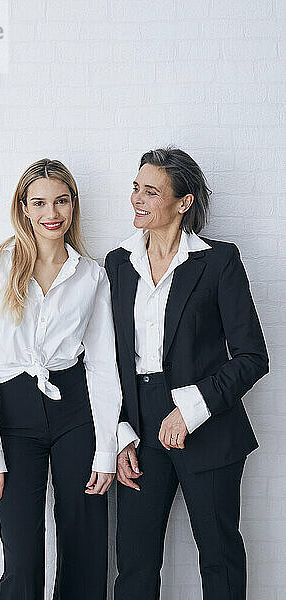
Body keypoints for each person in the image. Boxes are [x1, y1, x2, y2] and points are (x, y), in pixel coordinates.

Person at [104, 146, 270, 600]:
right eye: (136, 187)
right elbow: (107, 361)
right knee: (134, 565)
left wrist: (188, 409)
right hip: (137, 426)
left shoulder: (219, 261)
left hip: (207, 423)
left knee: (219, 558)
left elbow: (253, 356)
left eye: (151, 191)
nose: (137, 198)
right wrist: (120, 434)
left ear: (184, 202)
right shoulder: (117, 264)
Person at [0, 158, 122, 600]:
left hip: (74, 414)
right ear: (24, 207)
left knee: (86, 548)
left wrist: (106, 448)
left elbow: (104, 367)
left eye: (62, 201)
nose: (53, 213)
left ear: (73, 206)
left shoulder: (91, 275)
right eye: (41, 202)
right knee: (23, 557)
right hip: (11, 418)